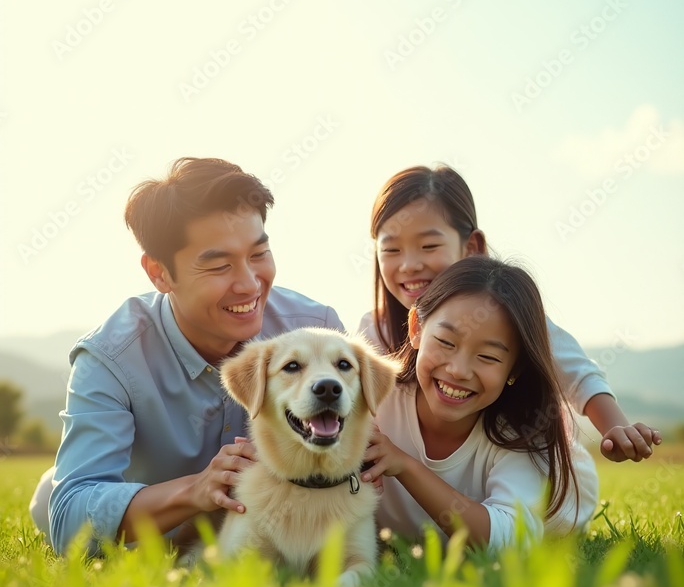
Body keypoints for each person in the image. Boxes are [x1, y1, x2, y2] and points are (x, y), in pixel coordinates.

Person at [29, 157, 344, 556]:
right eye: (219, 266)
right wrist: (194, 490)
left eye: (258, 254)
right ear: (159, 273)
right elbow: (70, 518)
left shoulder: (317, 330)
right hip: (155, 533)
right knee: (51, 496)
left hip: (266, 532)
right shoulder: (111, 357)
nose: (249, 285)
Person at [358, 164, 661, 464]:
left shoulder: (503, 315)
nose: (409, 264)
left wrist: (615, 426)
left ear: (472, 247)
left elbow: (578, 374)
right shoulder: (374, 330)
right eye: (391, 250)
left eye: (429, 245)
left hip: (511, 474)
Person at [361, 256, 598, 550]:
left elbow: (509, 539)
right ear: (416, 329)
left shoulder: (520, 435)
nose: (459, 370)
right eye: (446, 342)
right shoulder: (374, 397)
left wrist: (405, 466)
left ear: (514, 369)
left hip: (564, 492)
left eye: (488, 357)